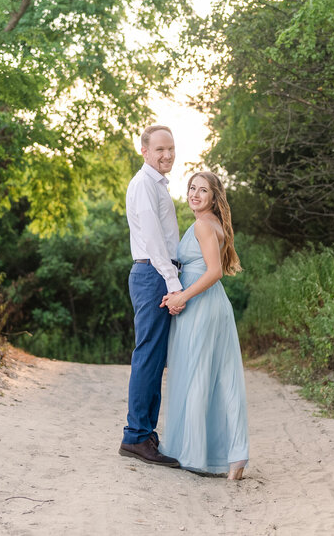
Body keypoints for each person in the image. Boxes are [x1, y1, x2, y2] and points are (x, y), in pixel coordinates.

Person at [160, 171, 249, 480]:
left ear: (214, 197)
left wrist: (180, 297)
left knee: (197, 374)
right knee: (224, 377)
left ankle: (195, 454)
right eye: (192, 188)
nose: (195, 195)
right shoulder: (213, 224)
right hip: (213, 305)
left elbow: (214, 272)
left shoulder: (202, 225)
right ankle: (234, 458)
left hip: (201, 306)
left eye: (203, 191)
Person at [119, 125, 183, 467]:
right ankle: (136, 437)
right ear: (144, 151)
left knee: (156, 358)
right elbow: (155, 241)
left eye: (170, 148)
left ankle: (146, 434)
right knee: (148, 356)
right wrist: (172, 282)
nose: (167, 155)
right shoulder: (144, 185)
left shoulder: (157, 185)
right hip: (153, 275)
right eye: (159, 149)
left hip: (156, 273)